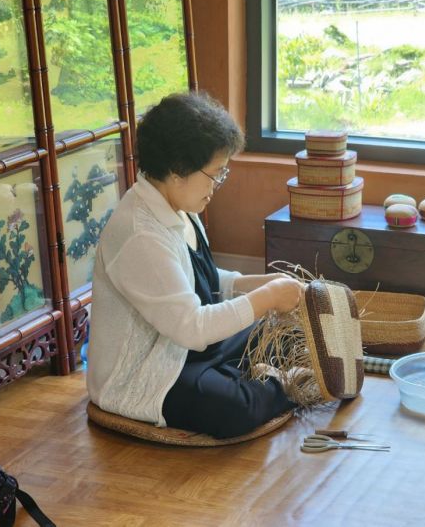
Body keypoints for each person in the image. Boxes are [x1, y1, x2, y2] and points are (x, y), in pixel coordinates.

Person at [86, 92, 305, 439]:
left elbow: (197, 280)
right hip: (151, 370)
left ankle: (260, 378)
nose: (217, 184)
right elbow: (192, 328)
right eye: (215, 173)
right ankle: (277, 384)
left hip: (187, 348)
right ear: (178, 170)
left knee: (288, 333)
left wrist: (256, 283)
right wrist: (266, 298)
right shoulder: (140, 235)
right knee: (234, 409)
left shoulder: (180, 207)